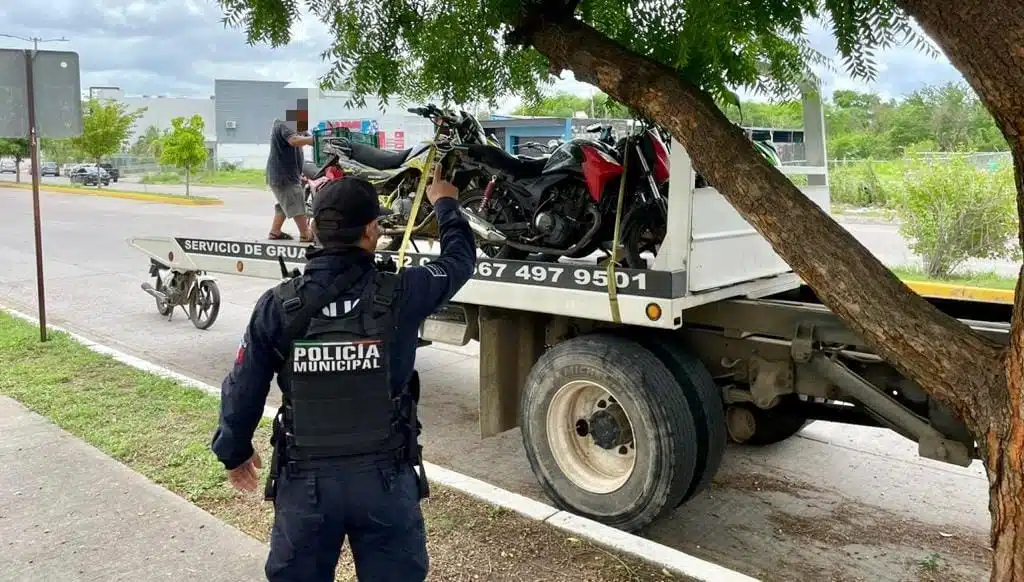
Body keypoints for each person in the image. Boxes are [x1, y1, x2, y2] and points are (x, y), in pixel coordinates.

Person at [210, 164, 477, 581]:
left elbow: (244, 385)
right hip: (385, 480)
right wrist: (444, 202)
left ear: (314, 228)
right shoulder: (405, 292)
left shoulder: (277, 305)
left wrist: (234, 450)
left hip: (306, 483)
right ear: (371, 231)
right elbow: (459, 260)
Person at [266, 119, 316, 242]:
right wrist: (315, 140)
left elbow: (305, 137)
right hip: (284, 176)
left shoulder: (293, 125)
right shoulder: (285, 123)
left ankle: (275, 231)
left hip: (285, 174)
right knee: (296, 200)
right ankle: (305, 234)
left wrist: (314, 139)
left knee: (286, 202)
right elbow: (294, 141)